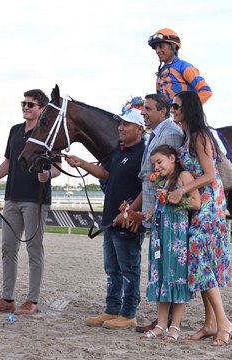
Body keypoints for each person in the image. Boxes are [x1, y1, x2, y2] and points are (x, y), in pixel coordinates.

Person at [65, 107, 146, 330]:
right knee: (112, 268)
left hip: (128, 221)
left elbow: (146, 188)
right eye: (120, 124)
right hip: (110, 219)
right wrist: (81, 163)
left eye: (126, 124)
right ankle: (111, 309)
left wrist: (129, 211)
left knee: (129, 268)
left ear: (139, 129)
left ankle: (128, 313)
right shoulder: (119, 150)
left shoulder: (144, 154)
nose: (120, 128)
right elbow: (106, 173)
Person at [168, 91, 232, 346]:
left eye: (176, 105)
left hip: (210, 205)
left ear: (189, 109)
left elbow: (210, 175)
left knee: (199, 254)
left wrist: (181, 190)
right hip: (200, 205)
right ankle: (210, 323)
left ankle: (224, 322)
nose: (172, 109)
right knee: (202, 259)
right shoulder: (187, 137)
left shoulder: (200, 136)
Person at [0, 89, 61, 315]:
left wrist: (47, 175)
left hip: (35, 199)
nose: (26, 108)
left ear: (42, 109)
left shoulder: (49, 133)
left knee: (34, 249)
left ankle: (33, 301)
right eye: (24, 104)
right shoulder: (15, 131)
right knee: (8, 247)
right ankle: (7, 298)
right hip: (12, 197)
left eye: (31, 104)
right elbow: (9, 160)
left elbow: (57, 168)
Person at [124, 94, 183, 333]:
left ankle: (169, 321)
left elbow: (174, 172)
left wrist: (154, 206)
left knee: (168, 266)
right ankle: (162, 319)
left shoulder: (170, 132)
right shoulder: (158, 131)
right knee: (158, 264)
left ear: (163, 111)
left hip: (167, 210)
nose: (143, 113)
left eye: (148, 109)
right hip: (155, 208)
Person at [141, 145, 200, 341]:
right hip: (159, 235)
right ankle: (160, 324)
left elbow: (196, 203)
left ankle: (175, 326)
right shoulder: (164, 180)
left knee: (176, 278)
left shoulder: (183, 177)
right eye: (154, 164)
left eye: (160, 162)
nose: (156, 167)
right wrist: (152, 209)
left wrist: (173, 199)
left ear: (172, 158)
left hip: (176, 237)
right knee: (161, 277)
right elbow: (164, 201)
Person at [148, 28, 212, 105]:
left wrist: (188, 108)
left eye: (161, 46)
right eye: (155, 48)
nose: (157, 51)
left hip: (187, 116)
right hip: (169, 116)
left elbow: (206, 91)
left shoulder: (185, 67)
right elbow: (159, 102)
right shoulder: (160, 73)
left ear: (173, 46)